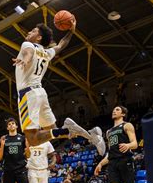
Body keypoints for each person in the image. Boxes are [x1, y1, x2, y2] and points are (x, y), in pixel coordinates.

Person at [12, 21, 105, 155]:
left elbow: (28, 52)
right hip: (40, 93)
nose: (28, 32)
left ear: (38, 38)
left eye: (32, 31)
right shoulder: (47, 52)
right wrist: (71, 31)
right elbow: (62, 44)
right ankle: (91, 135)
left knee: (32, 139)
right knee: (54, 131)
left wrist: (25, 60)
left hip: (28, 94)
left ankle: (68, 130)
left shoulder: (27, 44)